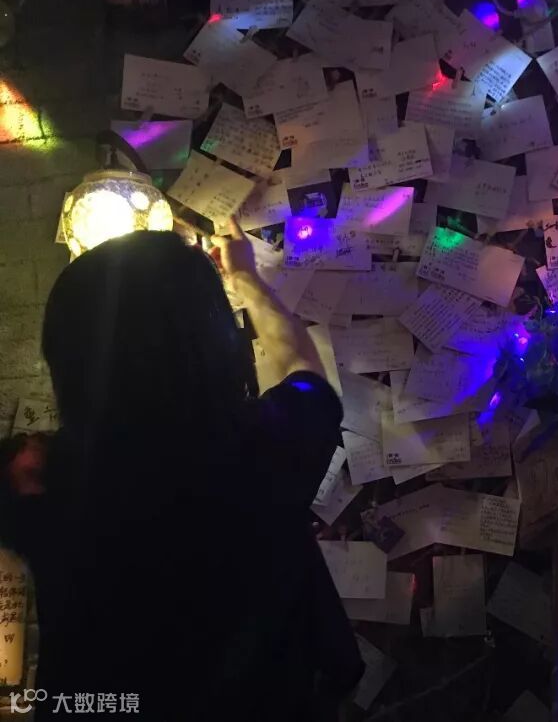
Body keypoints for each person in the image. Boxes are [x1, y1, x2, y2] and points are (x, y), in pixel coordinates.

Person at [1, 220, 362, 720]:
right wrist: (246, 278)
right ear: (216, 343)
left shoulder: (36, 475)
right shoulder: (268, 444)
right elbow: (303, 366)